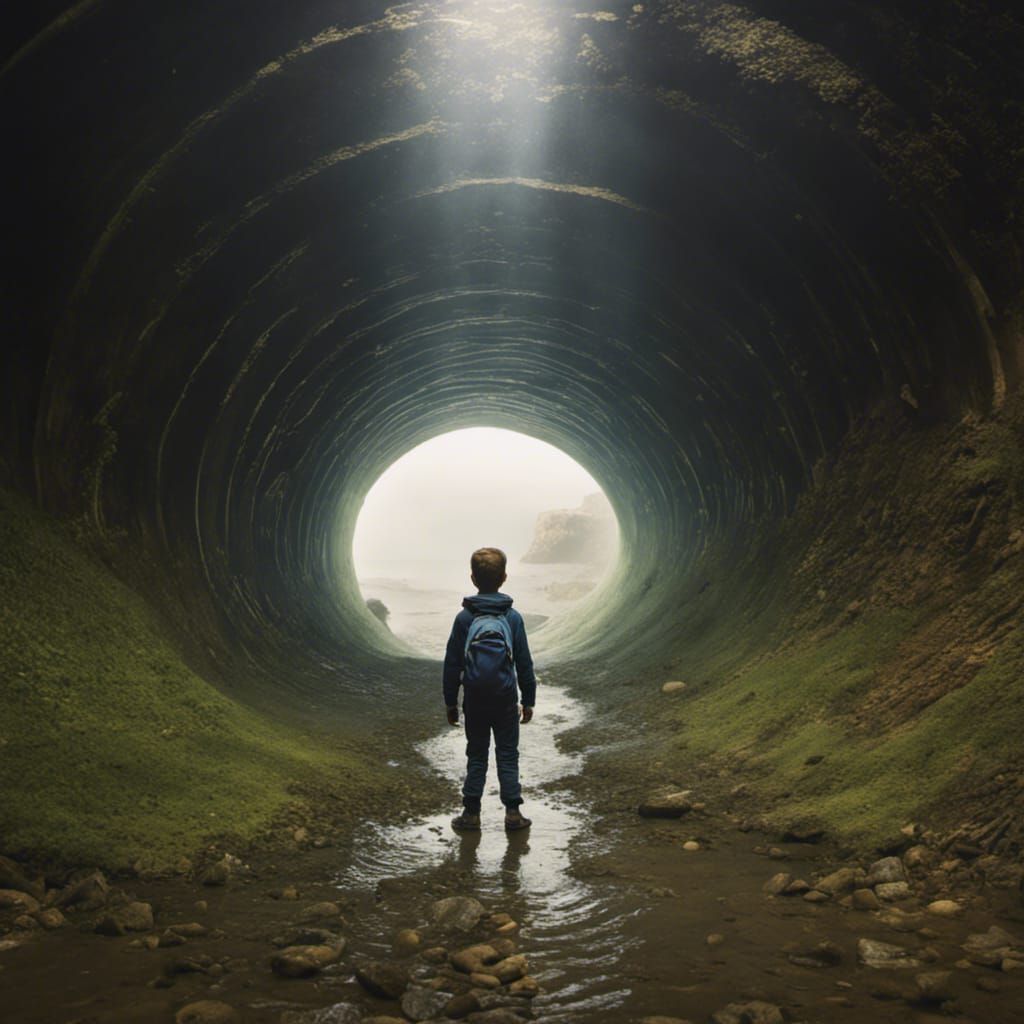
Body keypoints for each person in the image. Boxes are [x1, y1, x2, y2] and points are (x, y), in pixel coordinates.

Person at [443, 546, 536, 832]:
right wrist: (528, 699)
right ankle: (513, 813)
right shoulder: (513, 618)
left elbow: (452, 664)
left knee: (477, 754)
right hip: (506, 698)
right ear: (504, 577)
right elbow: (524, 662)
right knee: (508, 753)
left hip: (475, 700)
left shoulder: (464, 619)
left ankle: (471, 813)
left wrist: (451, 703)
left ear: (473, 578)